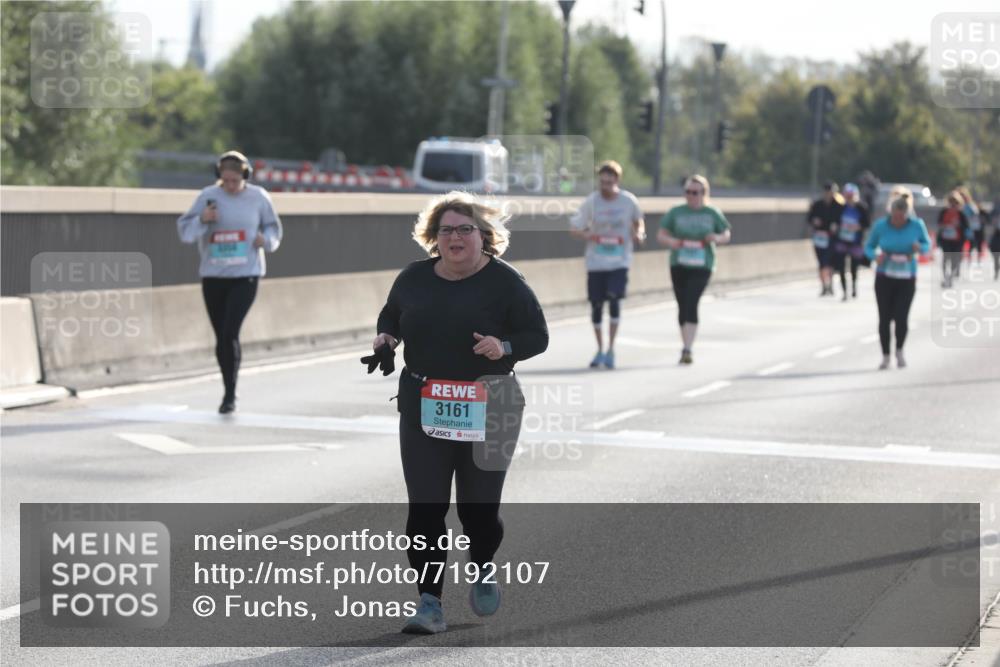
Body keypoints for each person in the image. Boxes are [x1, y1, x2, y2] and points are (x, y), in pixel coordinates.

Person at [367, 191, 548, 634]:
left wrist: (503, 346)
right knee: (426, 510)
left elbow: (537, 336)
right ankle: (429, 603)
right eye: (445, 230)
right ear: (434, 238)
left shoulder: (506, 282)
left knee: (478, 511)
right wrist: (386, 339)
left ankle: (483, 565)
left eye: (464, 229)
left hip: (491, 406)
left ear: (482, 237)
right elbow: (391, 315)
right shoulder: (413, 278)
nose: (455, 238)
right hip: (426, 407)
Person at [177, 150, 282, 413]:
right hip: (213, 275)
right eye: (226, 181)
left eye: (235, 181)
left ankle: (230, 395)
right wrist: (203, 219)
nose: (230, 186)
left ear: (245, 176)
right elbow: (185, 231)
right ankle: (227, 387)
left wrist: (265, 241)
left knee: (230, 332)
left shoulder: (258, 198)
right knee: (220, 337)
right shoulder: (208, 197)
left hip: (246, 275)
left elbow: (273, 228)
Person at [569, 160, 645, 369]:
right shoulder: (591, 202)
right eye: (602, 182)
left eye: (609, 183)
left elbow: (638, 221)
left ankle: (611, 348)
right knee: (596, 305)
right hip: (596, 262)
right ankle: (600, 349)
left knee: (614, 299)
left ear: (617, 181)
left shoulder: (628, 201)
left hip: (619, 261)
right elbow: (574, 228)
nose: (605, 187)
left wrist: (638, 233)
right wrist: (588, 234)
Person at [657, 174, 732, 364]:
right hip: (679, 263)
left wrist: (716, 238)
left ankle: (688, 348)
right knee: (682, 305)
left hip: (702, 264)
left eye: (695, 192)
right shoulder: (676, 212)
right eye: (688, 192)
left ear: (704, 193)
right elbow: (661, 234)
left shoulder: (712, 212)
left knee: (692, 300)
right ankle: (685, 344)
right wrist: (672, 241)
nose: (691, 196)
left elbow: (726, 233)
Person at [864, 191, 931, 370]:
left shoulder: (917, 225)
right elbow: (869, 246)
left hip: (907, 277)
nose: (898, 221)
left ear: (907, 215)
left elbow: (927, 247)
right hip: (885, 275)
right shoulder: (881, 226)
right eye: (895, 217)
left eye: (901, 217)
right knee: (884, 318)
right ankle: (885, 356)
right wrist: (875, 256)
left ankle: (899, 350)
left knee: (901, 317)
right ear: (890, 214)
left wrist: (919, 248)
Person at [831, 183, 871, 300]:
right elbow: (835, 221)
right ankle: (844, 291)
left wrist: (858, 227)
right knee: (841, 266)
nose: (849, 198)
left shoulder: (861, 208)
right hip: (842, 241)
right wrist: (835, 226)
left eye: (851, 195)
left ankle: (853, 287)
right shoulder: (840, 208)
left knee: (854, 267)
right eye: (847, 195)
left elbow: (867, 223)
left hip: (856, 241)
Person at [807, 181, 845, 296]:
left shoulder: (839, 206)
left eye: (831, 192)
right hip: (819, 237)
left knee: (830, 262)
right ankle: (824, 286)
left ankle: (831, 284)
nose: (828, 194)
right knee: (821, 263)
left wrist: (837, 226)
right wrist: (814, 221)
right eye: (827, 192)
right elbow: (809, 218)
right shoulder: (817, 205)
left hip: (832, 237)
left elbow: (843, 221)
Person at [936, 191, 969, 288]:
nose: (953, 204)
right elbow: (939, 223)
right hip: (945, 239)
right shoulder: (944, 211)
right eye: (951, 202)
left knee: (955, 260)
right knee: (945, 258)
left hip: (957, 240)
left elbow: (966, 226)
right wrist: (946, 226)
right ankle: (945, 277)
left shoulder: (961, 213)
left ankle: (951, 277)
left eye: (955, 202)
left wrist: (959, 225)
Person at [956, 186, 984, 265]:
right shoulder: (958, 207)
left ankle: (971, 261)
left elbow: (975, 216)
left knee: (972, 246)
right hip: (960, 229)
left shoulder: (970, 206)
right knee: (960, 247)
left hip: (970, 229)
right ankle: (960, 263)